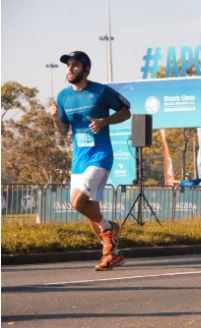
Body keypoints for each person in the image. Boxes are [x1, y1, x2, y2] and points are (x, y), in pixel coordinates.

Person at [50, 51, 131, 270]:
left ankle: (109, 228)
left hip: (100, 156)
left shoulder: (101, 91)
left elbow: (126, 112)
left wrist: (105, 121)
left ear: (85, 69)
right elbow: (64, 131)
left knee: (77, 203)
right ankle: (112, 254)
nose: (69, 69)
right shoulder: (63, 97)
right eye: (67, 66)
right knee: (90, 210)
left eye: (75, 65)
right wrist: (55, 118)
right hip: (79, 160)